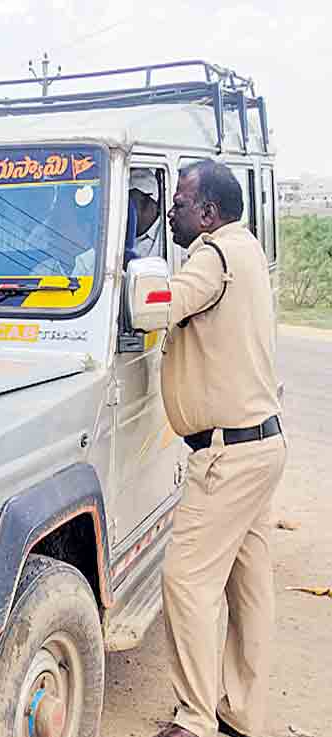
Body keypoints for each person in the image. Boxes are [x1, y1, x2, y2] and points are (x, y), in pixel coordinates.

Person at [154, 160, 285, 737]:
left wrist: (128, 278)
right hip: (264, 445)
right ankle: (239, 711)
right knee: (248, 586)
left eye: (178, 203)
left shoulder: (212, 258)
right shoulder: (248, 250)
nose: (169, 211)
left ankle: (194, 721)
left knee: (187, 580)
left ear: (208, 213)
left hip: (226, 457)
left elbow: (155, 304)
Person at [73, 169, 162, 275]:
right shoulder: (114, 230)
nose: (120, 209)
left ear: (147, 201)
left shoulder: (169, 239)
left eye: (127, 203)